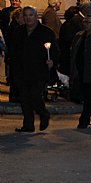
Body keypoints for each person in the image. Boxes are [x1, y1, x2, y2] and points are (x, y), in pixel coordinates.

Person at [11, 5, 57, 133]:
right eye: (25, 15)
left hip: (39, 71)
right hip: (22, 70)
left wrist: (52, 61)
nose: (28, 18)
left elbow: (54, 51)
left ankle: (43, 114)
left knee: (35, 95)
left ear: (36, 16)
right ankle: (28, 124)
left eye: (31, 15)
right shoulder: (18, 32)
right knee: (24, 98)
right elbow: (14, 51)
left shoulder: (46, 32)